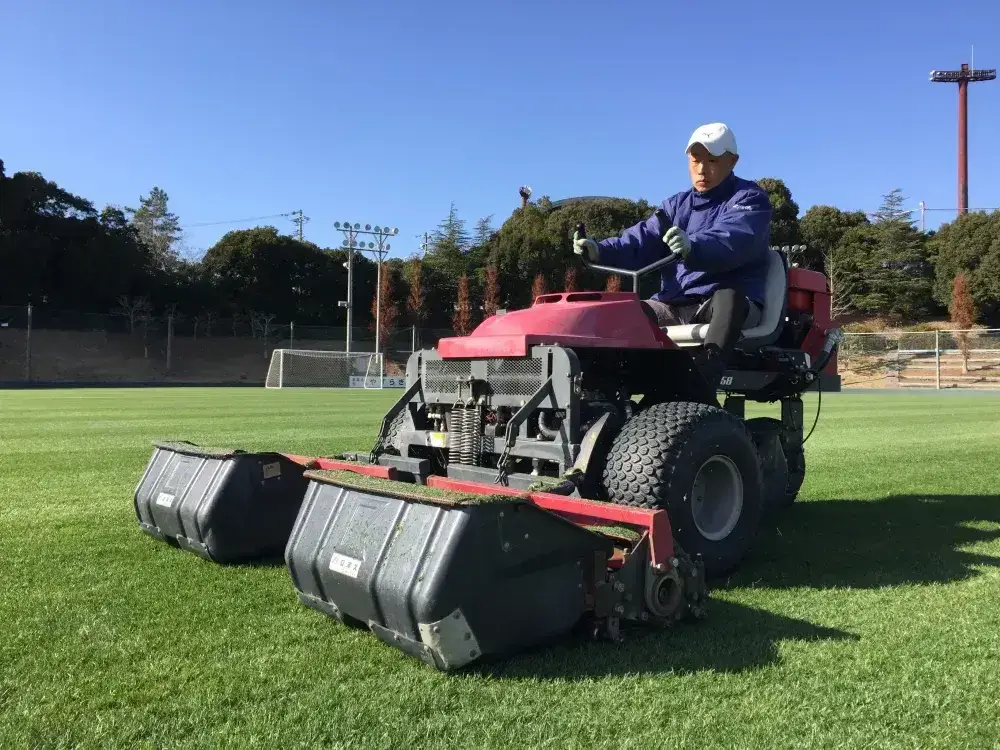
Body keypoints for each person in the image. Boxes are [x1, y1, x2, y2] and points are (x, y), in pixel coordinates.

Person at [572, 122, 773, 388]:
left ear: (732, 161)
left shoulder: (750, 198)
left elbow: (734, 237)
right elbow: (639, 240)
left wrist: (693, 246)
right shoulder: (675, 205)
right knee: (624, 313)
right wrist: (599, 249)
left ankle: (702, 384)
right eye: (696, 159)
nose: (702, 169)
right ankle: (607, 392)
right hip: (673, 304)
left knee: (729, 297)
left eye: (712, 160)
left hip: (724, 304)